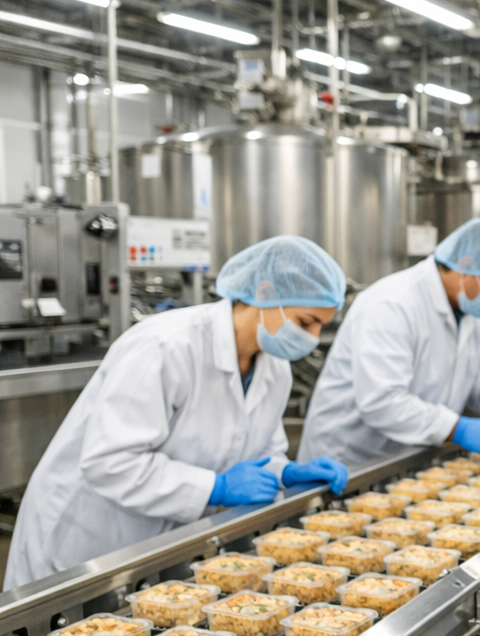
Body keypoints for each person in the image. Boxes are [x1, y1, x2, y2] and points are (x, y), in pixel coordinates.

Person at [5, 237, 349, 589]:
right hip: (85, 537)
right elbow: (110, 462)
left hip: (163, 545)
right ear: (264, 292)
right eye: (306, 322)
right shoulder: (166, 346)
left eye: (321, 325)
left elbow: (254, 452)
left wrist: (285, 471)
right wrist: (216, 488)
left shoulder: (275, 367)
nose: (312, 337)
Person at [299, 218, 480, 467]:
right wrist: (458, 428)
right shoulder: (392, 304)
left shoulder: (467, 306)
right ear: (467, 266)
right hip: (350, 461)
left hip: (409, 457)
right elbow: (383, 402)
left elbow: (477, 364)